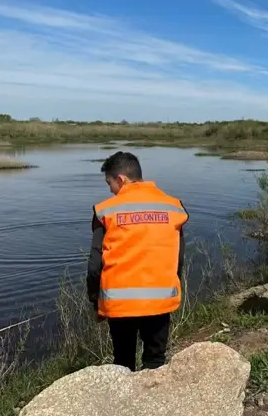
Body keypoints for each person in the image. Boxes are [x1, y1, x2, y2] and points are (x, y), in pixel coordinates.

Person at [87, 151, 188, 371]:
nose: (110, 190)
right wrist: (173, 286)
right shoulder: (173, 207)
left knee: (123, 362)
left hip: (119, 303)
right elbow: (178, 257)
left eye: (110, 184)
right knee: (155, 361)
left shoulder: (106, 211)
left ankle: (124, 404)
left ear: (121, 179)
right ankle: (153, 402)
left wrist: (96, 301)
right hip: (160, 300)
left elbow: (95, 265)